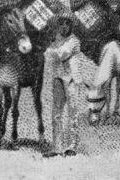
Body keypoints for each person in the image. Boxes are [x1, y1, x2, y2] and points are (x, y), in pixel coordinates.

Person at [44, 10, 82, 157]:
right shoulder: (55, 40)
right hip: (58, 78)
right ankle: (57, 147)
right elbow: (49, 56)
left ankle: (72, 146)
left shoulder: (74, 40)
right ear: (58, 25)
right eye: (62, 23)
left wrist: (49, 49)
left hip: (72, 79)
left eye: (68, 23)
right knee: (56, 113)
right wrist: (50, 49)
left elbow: (62, 54)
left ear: (71, 26)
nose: (64, 26)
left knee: (73, 112)